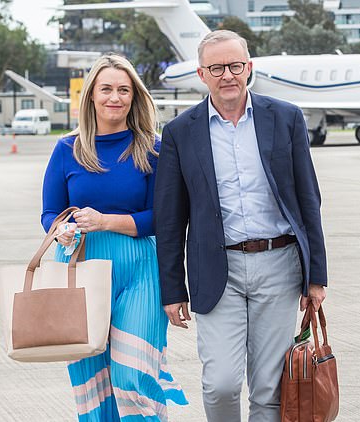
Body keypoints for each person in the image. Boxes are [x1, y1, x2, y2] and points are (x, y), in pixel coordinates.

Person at [154, 30, 328, 422]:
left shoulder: (285, 118)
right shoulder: (180, 132)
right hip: (218, 272)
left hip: (280, 265)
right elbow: (169, 220)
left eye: (235, 66)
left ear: (248, 68)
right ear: (202, 74)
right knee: (221, 384)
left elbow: (308, 202)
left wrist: (316, 275)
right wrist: (172, 289)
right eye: (217, 68)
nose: (227, 75)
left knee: (268, 389)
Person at [41, 54, 187, 421]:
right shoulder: (67, 149)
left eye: (124, 90)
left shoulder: (152, 148)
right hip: (80, 269)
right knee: (91, 383)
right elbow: (49, 212)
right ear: (91, 95)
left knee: (132, 376)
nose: (115, 98)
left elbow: (161, 217)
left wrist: (105, 221)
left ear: (134, 98)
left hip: (139, 272)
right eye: (106, 89)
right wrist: (60, 230)